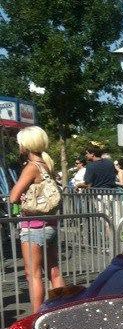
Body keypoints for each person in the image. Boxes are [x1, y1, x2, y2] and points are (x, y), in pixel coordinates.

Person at [9, 125, 65, 313]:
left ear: (26, 145)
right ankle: (62, 311)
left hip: (33, 227)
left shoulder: (31, 167)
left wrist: (20, 194)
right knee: (54, 271)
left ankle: (36, 318)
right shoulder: (46, 164)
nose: (19, 146)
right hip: (50, 225)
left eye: (20, 143)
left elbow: (13, 196)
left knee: (33, 275)